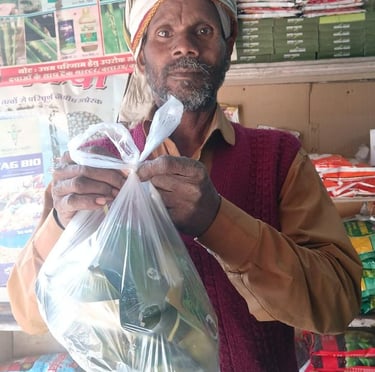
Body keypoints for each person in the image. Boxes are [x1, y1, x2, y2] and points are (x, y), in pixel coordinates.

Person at [8, 0, 362, 370]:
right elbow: (31, 314)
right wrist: (62, 222)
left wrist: (217, 221)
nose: (185, 46)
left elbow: (336, 304)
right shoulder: (94, 163)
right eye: (164, 33)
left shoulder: (279, 157)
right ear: (140, 56)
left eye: (204, 31)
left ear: (228, 45)